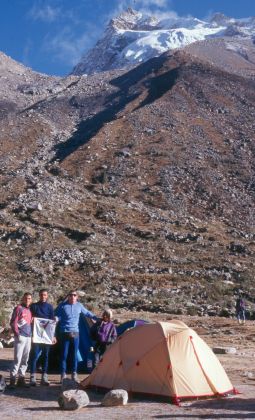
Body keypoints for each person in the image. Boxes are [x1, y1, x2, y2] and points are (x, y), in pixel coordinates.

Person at [55, 290, 98, 383]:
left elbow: (87, 313)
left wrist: (97, 318)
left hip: (75, 333)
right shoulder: (62, 305)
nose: (72, 297)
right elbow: (57, 316)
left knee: (74, 354)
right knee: (64, 355)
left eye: (74, 295)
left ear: (77, 297)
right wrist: (55, 319)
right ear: (68, 296)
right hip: (65, 332)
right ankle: (63, 374)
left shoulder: (79, 306)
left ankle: (74, 373)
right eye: (70, 295)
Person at [30, 289, 55, 386]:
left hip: (46, 336)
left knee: (46, 356)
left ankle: (44, 377)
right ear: (39, 295)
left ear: (47, 296)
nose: (43, 296)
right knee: (34, 355)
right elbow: (30, 319)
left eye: (44, 295)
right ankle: (32, 377)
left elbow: (52, 323)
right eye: (41, 295)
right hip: (36, 336)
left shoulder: (50, 307)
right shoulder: (34, 306)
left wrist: (53, 336)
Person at [9, 292, 33, 388]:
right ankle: (12, 380)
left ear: (31, 300)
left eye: (29, 298)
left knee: (25, 359)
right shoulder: (18, 308)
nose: (27, 300)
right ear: (23, 299)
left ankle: (21, 379)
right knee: (17, 359)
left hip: (28, 337)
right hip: (21, 337)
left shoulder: (29, 310)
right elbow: (13, 322)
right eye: (26, 298)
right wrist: (17, 334)